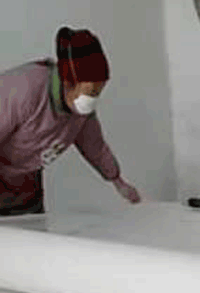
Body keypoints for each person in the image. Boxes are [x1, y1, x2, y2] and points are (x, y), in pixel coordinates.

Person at [0, 26, 141, 215]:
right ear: (68, 82)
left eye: (99, 91)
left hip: (26, 187)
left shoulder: (80, 113)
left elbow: (95, 147)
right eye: (91, 91)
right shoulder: (21, 91)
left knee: (30, 231)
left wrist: (118, 181)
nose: (94, 99)